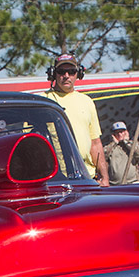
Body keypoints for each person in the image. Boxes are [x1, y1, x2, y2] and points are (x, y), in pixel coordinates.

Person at [40, 53, 110, 186]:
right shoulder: (43, 101)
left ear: (78, 74)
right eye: (61, 72)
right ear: (53, 74)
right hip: (55, 179)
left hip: (87, 177)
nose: (66, 76)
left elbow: (95, 143)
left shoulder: (87, 101)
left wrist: (105, 177)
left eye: (71, 71)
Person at [104, 121, 139, 185]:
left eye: (121, 132)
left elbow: (138, 153)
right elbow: (103, 156)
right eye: (117, 133)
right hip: (115, 184)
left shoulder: (133, 144)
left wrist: (126, 141)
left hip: (132, 182)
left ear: (126, 132)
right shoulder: (111, 147)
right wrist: (114, 143)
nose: (120, 134)